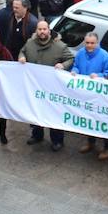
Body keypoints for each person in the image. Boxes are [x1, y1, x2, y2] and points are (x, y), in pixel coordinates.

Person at [18, 21, 73, 149]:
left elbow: (70, 58)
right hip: (35, 86)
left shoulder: (60, 46)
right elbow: (22, 51)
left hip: (53, 88)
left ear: (49, 30)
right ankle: (37, 135)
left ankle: (57, 140)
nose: (42, 32)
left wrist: (63, 65)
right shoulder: (30, 43)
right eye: (39, 29)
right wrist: (21, 57)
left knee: (53, 114)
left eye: (44, 29)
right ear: (36, 30)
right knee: (35, 111)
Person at [71, 32, 108, 157]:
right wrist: (74, 71)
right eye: (87, 43)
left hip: (100, 96)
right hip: (85, 94)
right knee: (88, 119)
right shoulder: (80, 53)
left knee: (102, 120)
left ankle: (107, 147)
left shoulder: (105, 56)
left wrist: (99, 76)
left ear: (97, 43)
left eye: (92, 43)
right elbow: (76, 66)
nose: (89, 46)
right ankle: (91, 142)